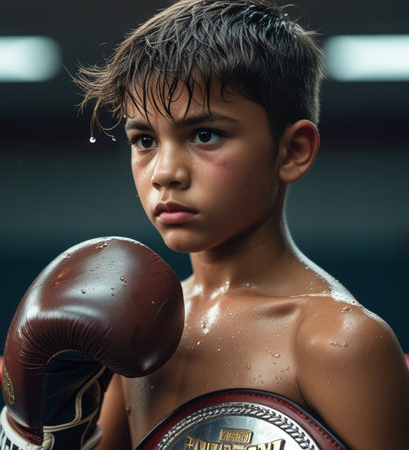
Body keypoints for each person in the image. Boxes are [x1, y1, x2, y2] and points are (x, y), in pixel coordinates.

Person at [75, 0, 409, 448]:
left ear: (293, 151)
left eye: (205, 134)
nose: (164, 172)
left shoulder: (337, 341)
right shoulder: (142, 329)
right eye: (145, 140)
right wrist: (36, 424)